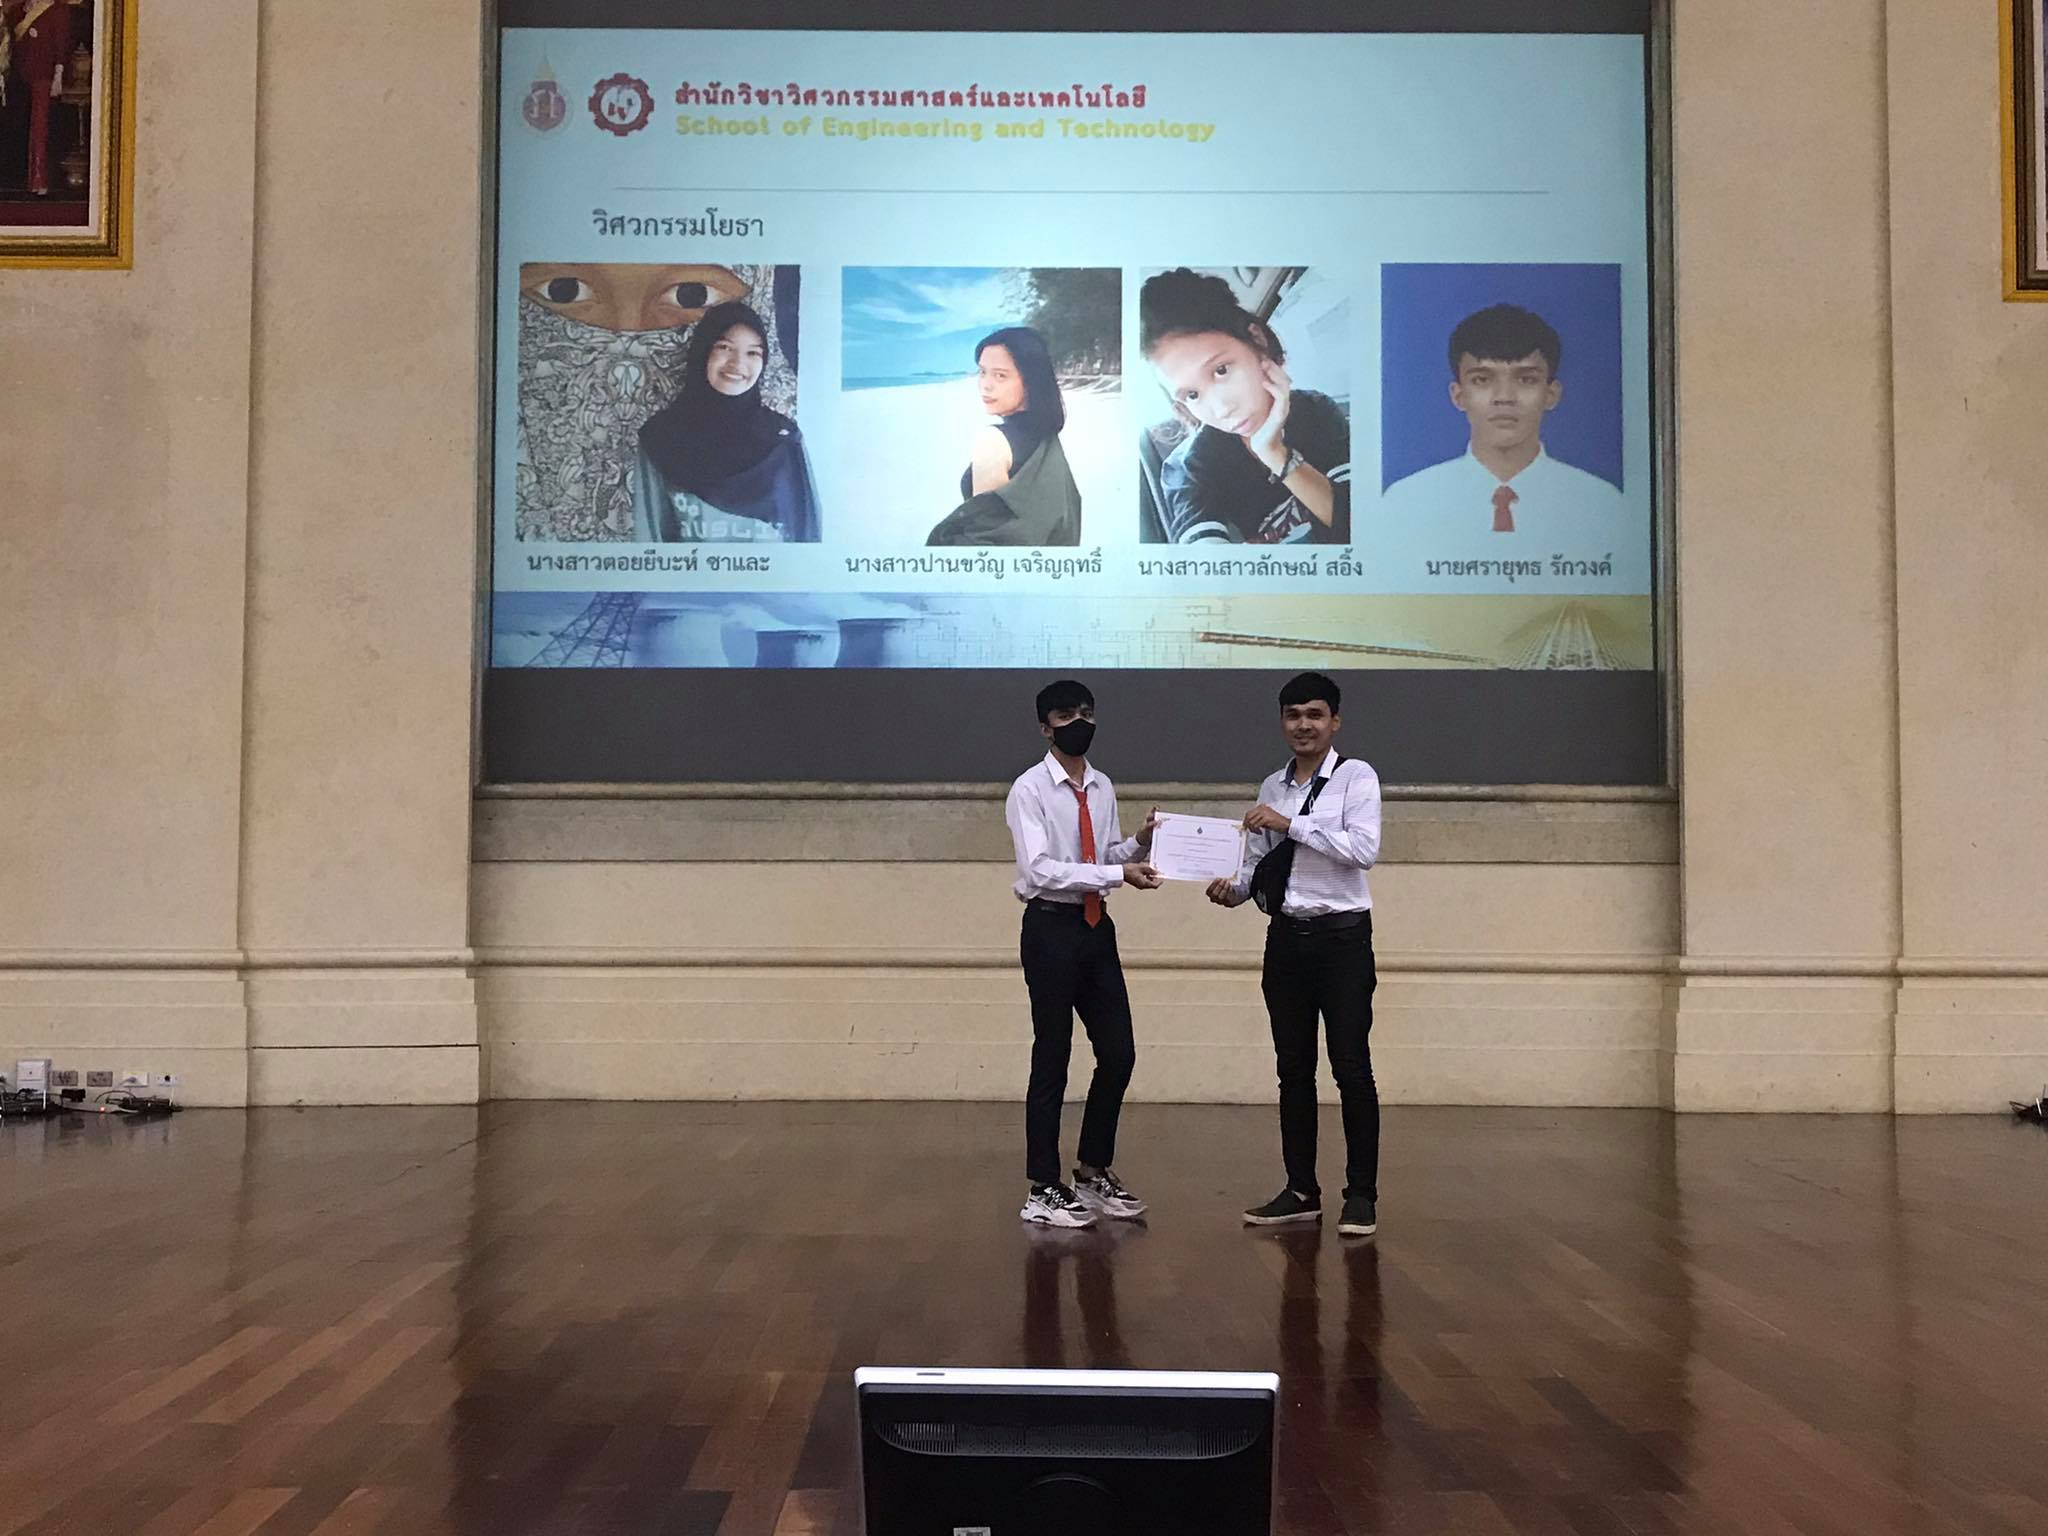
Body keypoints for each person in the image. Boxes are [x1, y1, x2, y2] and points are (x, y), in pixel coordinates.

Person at [1206, 672, 1383, 1237]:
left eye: (1314, 714)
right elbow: (1256, 866)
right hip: (1286, 939)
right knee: (1293, 1070)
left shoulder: (1356, 776)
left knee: (1351, 1068)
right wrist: (1231, 890)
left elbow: (1363, 850)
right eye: (1292, 715)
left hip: (1342, 940)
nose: (1303, 725)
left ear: (1335, 721)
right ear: (1281, 721)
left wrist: (1292, 824)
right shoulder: (1272, 784)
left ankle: (1361, 1195)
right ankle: (1301, 1189)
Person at [1005, 679, 1161, 1228]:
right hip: (1050, 928)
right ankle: (1042, 1187)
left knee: (1119, 1052)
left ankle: (1092, 1171)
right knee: (1053, 1054)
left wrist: (1139, 843)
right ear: (1045, 727)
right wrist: (1119, 873)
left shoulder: (1101, 785)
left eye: (1087, 712)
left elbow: (1105, 853)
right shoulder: (1029, 789)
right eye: (1066, 714)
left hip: (1096, 928)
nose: (1080, 722)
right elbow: (1040, 869)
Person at [1139, 268, 1350, 545]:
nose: (1222, 409)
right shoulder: (1188, 468)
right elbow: (1203, 562)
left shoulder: (1315, 411)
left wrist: (1275, 453)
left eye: (1221, 370)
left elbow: (1365, 530)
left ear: (1257, 340)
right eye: (1192, 395)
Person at [1380, 302, 1623, 538]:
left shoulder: (1600, 503)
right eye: (1482, 380)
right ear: (1458, 395)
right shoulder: (1407, 500)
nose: (1504, 397)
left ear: (1551, 394)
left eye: (1526, 379)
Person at [633, 300, 821, 544]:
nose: (737, 364)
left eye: (753, 353)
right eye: (724, 347)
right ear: (703, 352)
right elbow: (649, 541)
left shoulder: (783, 439)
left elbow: (808, 534)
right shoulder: (660, 438)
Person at [927, 327, 1082, 546]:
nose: (986, 385)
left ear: (1030, 381)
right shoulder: (1046, 437)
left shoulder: (993, 441)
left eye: (1000, 375)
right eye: (982, 372)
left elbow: (985, 544)